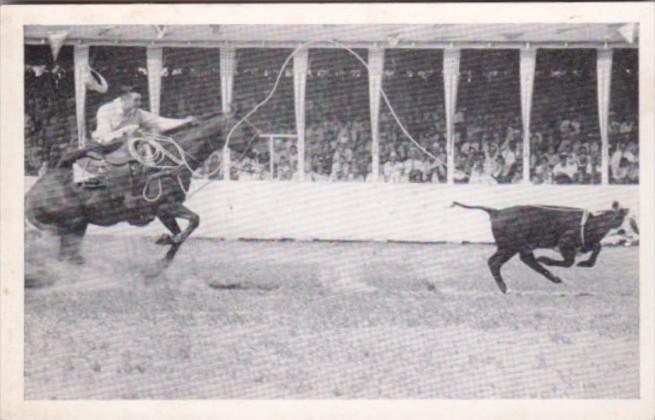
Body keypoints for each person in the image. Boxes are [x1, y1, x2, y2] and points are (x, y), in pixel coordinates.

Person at [74, 88, 195, 184]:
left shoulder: (138, 113)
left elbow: (159, 122)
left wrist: (184, 121)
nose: (139, 103)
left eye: (139, 100)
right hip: (107, 145)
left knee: (150, 146)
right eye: (136, 100)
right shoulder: (106, 110)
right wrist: (128, 130)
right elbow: (104, 135)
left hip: (128, 146)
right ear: (124, 99)